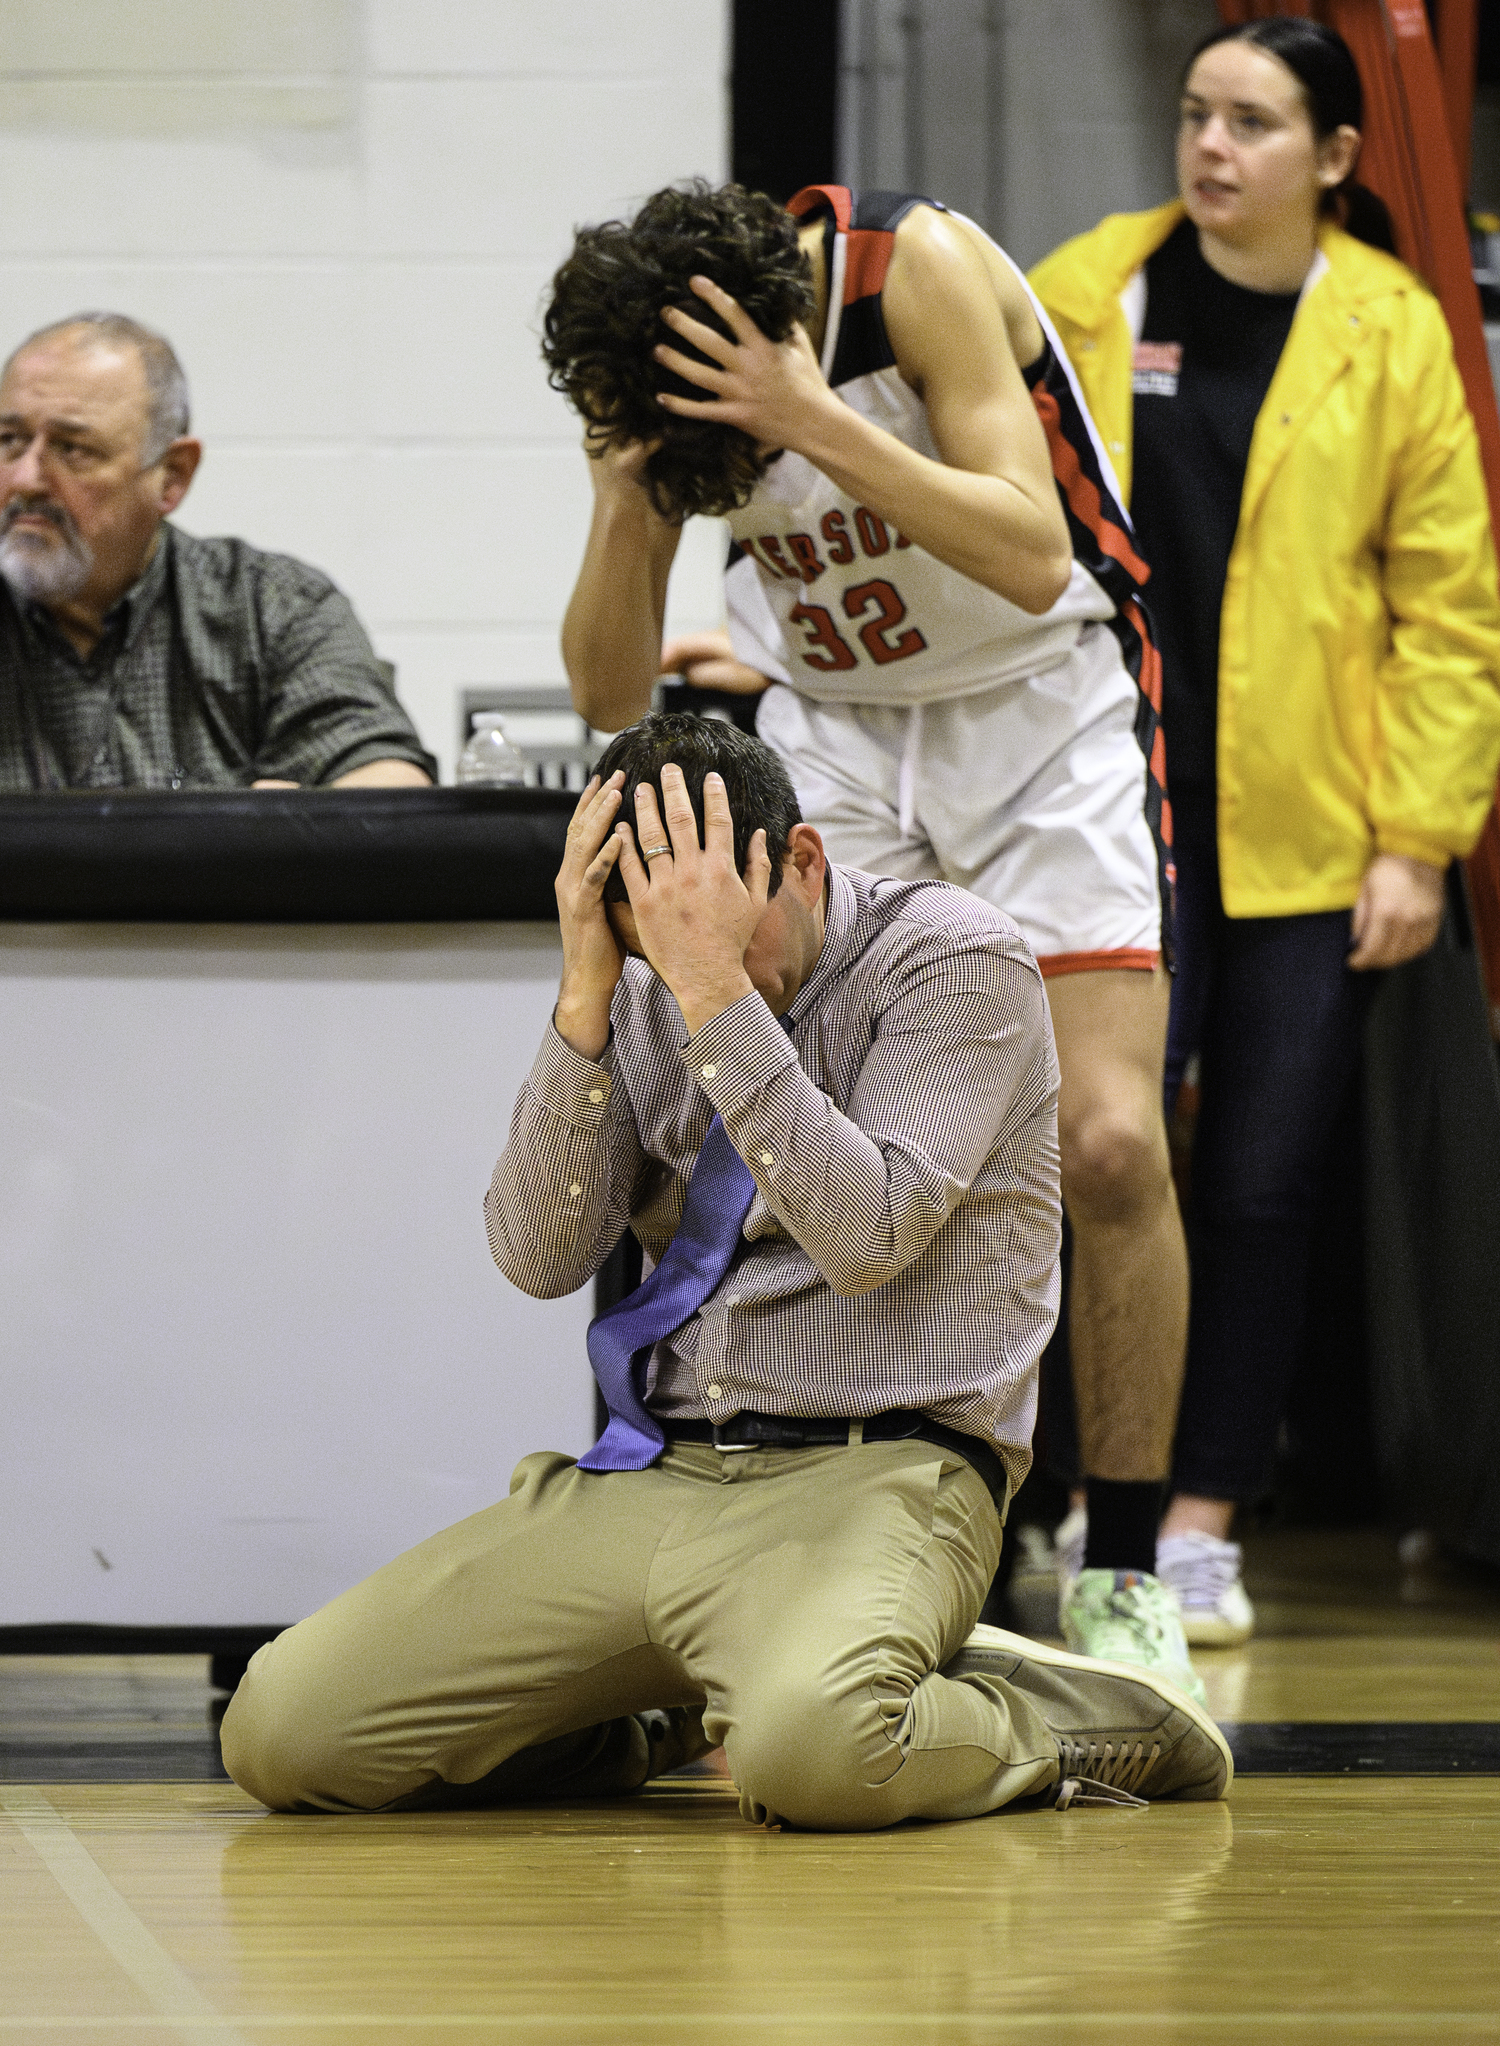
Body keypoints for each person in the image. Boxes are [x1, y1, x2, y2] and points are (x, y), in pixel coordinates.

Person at [219, 713, 1231, 1827]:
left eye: (713, 928)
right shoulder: (639, 977)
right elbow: (535, 1258)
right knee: (285, 1735)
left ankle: (1067, 1713)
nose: (676, 961)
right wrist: (583, 1005)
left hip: (880, 1473)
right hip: (655, 1469)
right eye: (650, 937)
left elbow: (869, 1237)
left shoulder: (954, 959)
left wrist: (717, 1000)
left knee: (817, 1764)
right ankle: (691, 1699)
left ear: (799, 862)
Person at [545, 181, 1202, 1695]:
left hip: (1044, 713)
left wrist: (805, 410)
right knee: (816, 1142)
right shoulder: (668, 376)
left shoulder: (918, 271)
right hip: (844, 736)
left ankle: (1126, 1560)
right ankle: (855, 1512)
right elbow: (604, 686)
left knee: (1106, 1142)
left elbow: (1036, 551)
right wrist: (619, 486)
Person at [1029, 17, 1500, 1642]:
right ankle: (1107, 1493)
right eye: (1196, 115)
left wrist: (1418, 839)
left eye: (1252, 122)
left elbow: (1449, 609)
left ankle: (1208, 1510)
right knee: (1110, 1157)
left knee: (1264, 1181)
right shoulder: (1091, 288)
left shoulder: (1393, 330)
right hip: (1111, 809)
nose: (1211, 148)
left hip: (1310, 830)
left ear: (1339, 159)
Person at [0, 313, 435, 790]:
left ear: (172, 476)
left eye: (73, 449)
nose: (24, 478)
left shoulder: (270, 610)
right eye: (9, 441)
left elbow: (385, 779)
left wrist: (281, 829)